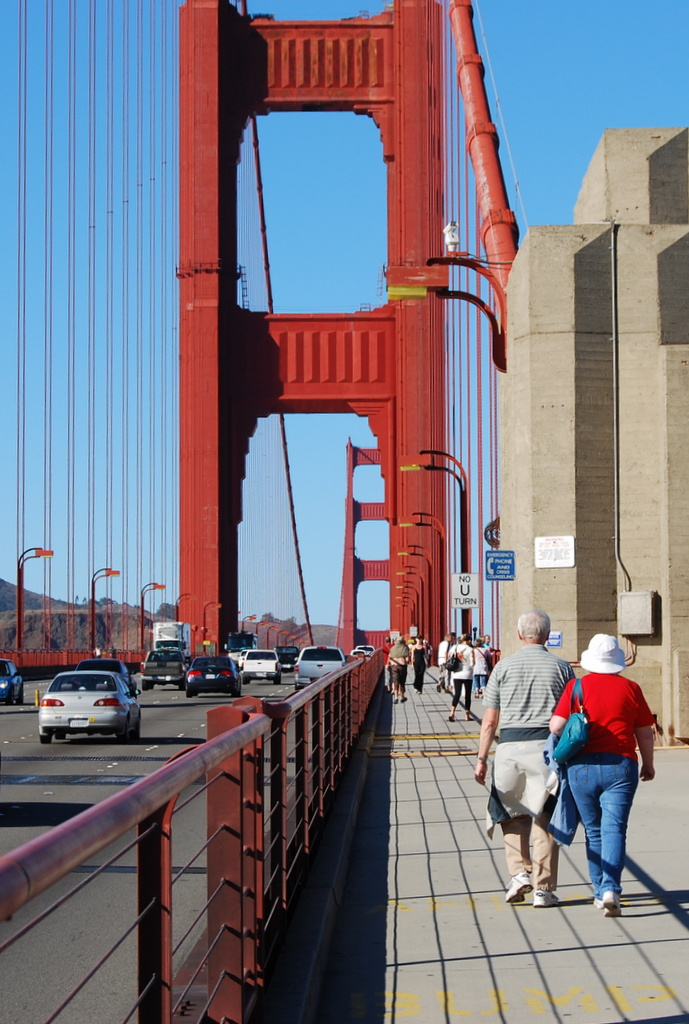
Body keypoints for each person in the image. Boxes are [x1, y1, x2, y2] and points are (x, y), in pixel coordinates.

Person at [549, 634, 655, 917]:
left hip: (581, 768)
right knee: (615, 829)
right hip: (620, 765)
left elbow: (556, 725)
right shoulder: (631, 688)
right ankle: (610, 888)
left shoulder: (576, 686)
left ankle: (599, 891)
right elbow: (644, 731)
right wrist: (648, 764)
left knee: (594, 830)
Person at [474, 610, 574, 907]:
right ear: (546, 634)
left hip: (510, 750)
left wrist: (481, 758)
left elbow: (490, 721)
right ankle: (544, 889)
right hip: (548, 750)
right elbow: (571, 716)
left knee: (510, 814)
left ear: (520, 635)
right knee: (545, 817)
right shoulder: (562, 668)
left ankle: (519, 874)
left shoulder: (502, 668)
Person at [448, 633, 474, 721]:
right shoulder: (470, 649)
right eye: (470, 640)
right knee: (467, 695)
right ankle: (467, 716)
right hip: (467, 674)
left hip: (457, 673)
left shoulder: (455, 647)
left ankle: (452, 713)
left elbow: (449, 656)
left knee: (457, 694)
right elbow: (472, 663)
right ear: (468, 641)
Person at [387, 636, 410, 704]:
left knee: (395, 681)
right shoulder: (405, 648)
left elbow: (390, 657)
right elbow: (407, 660)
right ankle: (402, 697)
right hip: (402, 666)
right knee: (402, 682)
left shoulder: (392, 648)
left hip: (394, 666)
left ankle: (396, 697)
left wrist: (389, 664)